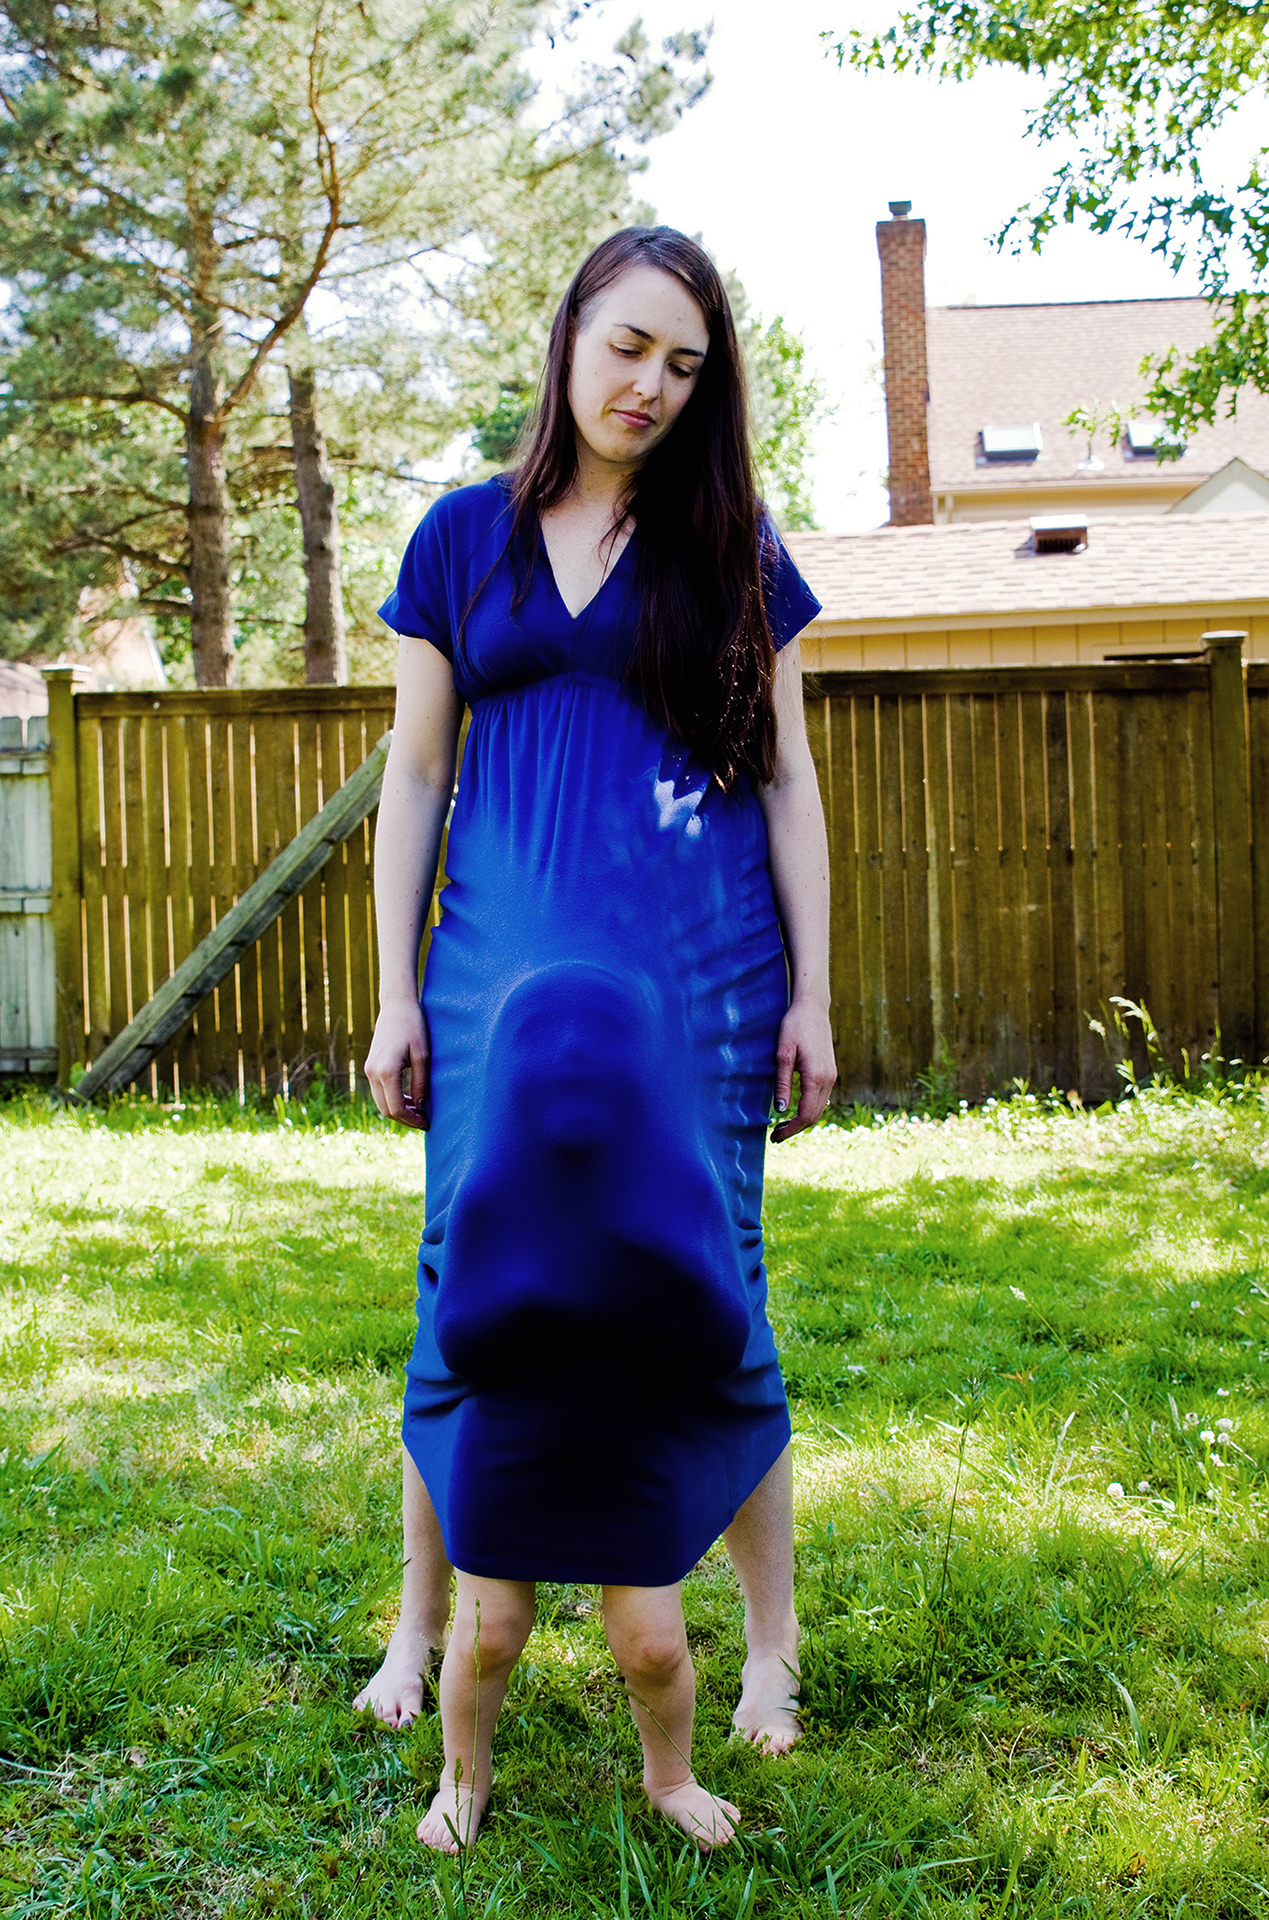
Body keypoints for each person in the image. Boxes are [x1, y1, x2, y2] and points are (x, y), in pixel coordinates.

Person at [357, 226, 836, 1850]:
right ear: (568, 335)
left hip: (701, 981)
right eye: (628, 345)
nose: (650, 385)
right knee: (463, 1287)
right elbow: (416, 773)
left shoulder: (730, 545)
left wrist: (813, 993)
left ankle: (766, 1647)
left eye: (684, 365)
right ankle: (419, 1626)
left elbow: (787, 777)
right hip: (494, 986)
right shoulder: (458, 537)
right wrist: (395, 988)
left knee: (714, 1295)